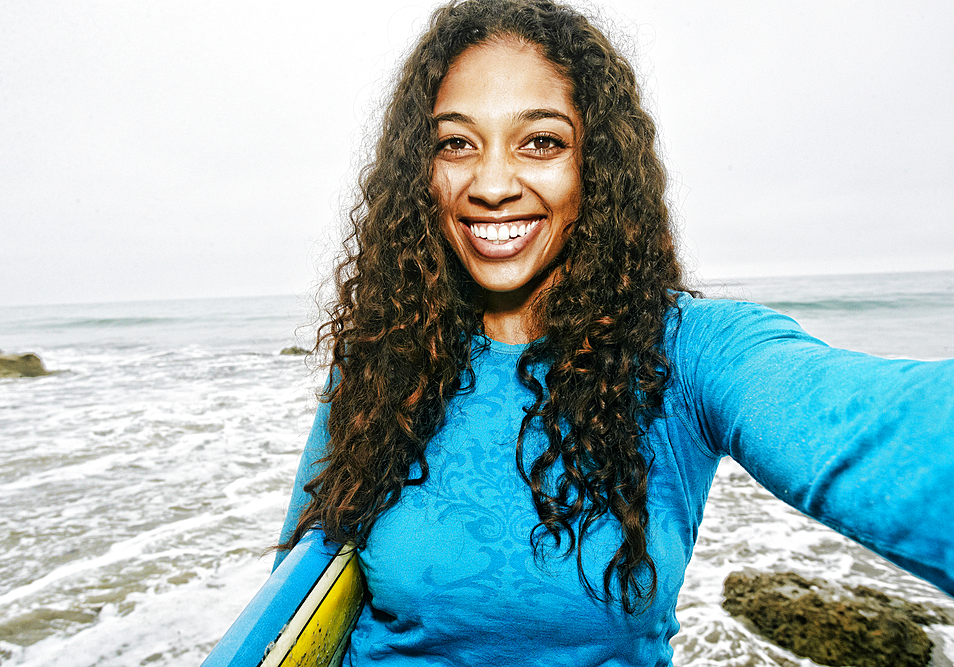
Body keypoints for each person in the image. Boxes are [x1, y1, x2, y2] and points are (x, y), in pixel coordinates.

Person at [274, 0, 954, 664]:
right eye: (456, 143)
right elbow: (293, 599)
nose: (491, 183)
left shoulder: (687, 356)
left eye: (540, 141)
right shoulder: (387, 355)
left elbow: (879, 426)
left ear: (593, 165)